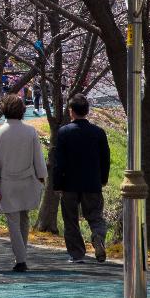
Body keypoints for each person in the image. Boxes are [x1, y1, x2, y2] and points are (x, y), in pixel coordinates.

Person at [0, 94, 47, 272]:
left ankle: (20, 259)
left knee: (13, 221)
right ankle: (22, 256)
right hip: (28, 179)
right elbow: (38, 158)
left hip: (7, 182)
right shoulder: (30, 131)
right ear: (22, 110)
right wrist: (42, 177)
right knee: (24, 218)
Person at [52, 93, 111, 263]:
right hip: (92, 182)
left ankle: (77, 254)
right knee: (95, 216)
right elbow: (105, 158)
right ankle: (98, 236)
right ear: (87, 111)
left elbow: (59, 161)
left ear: (71, 111)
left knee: (70, 219)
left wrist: (57, 184)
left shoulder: (64, 132)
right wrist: (103, 178)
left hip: (69, 183)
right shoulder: (98, 132)